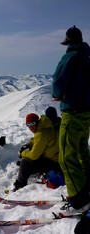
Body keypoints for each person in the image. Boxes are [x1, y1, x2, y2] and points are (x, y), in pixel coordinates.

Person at [48, 25, 90, 233]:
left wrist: (58, 94)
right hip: (86, 114)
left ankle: (79, 199)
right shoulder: (87, 57)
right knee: (82, 151)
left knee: (66, 156)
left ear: (69, 42)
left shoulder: (71, 56)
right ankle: (87, 188)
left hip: (72, 113)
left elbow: (58, 82)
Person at [11, 113, 61, 191]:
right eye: (28, 125)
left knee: (25, 162)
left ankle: (20, 184)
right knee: (30, 159)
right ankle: (27, 170)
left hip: (53, 161)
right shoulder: (44, 127)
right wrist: (28, 145)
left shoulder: (41, 133)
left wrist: (22, 153)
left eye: (32, 123)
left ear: (37, 122)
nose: (31, 127)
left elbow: (34, 155)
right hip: (53, 156)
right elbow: (36, 140)